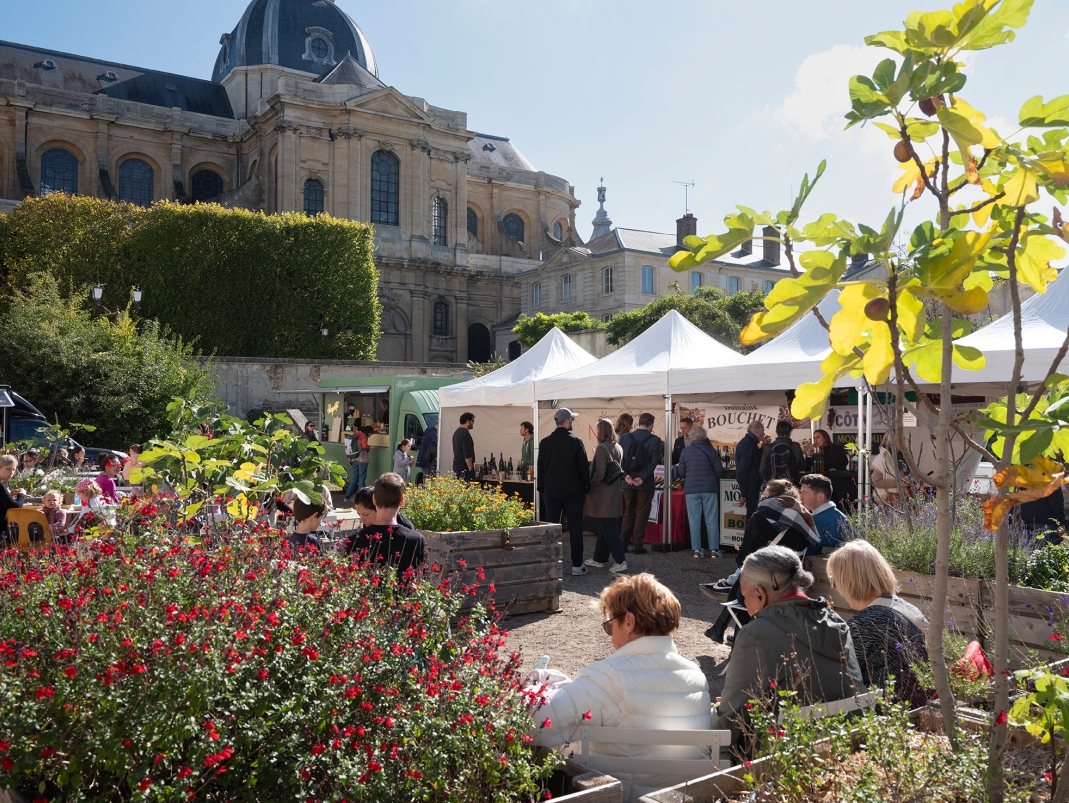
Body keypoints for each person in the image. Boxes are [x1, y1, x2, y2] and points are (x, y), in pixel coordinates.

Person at [531, 573, 711, 802]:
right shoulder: (696, 676)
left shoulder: (609, 677)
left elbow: (536, 723)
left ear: (628, 621)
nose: (610, 635)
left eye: (609, 626)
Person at [712, 545, 866, 749]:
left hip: (785, 760)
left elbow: (727, 725)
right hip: (850, 747)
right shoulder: (837, 622)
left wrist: (711, 713)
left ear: (759, 593)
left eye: (743, 596)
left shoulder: (755, 634)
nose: (745, 605)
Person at [705, 479, 820, 643]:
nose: (761, 497)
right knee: (750, 576)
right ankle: (721, 628)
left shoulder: (761, 516)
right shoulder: (802, 518)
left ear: (772, 498)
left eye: (764, 493)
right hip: (791, 587)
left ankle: (735, 637)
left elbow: (742, 558)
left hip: (764, 590)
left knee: (748, 580)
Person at [826, 540, 929, 708]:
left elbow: (837, 681)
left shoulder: (862, 625)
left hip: (889, 715)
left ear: (849, 582)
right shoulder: (907, 607)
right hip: (922, 706)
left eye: (836, 581)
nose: (836, 588)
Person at [537, 408, 590, 575]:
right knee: (575, 529)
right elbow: (583, 468)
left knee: (551, 528)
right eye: (572, 420)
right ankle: (576, 565)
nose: (572, 422)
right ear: (566, 421)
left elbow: (541, 467)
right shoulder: (576, 441)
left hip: (551, 491)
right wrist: (587, 486)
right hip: (573, 492)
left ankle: (550, 564)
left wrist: (541, 487)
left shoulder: (545, 442)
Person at [344, 472, 427, 575]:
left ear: (374, 499)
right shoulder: (416, 540)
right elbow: (423, 579)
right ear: (401, 501)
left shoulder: (353, 540)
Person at [583, 418, 628, 574]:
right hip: (614, 491)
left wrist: (591, 484)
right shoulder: (618, 447)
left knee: (609, 528)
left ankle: (621, 561)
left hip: (603, 493)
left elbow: (600, 472)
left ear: (601, 431)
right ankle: (599, 558)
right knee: (605, 526)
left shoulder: (602, 448)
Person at [676, 425, 724, 559]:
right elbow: (719, 471)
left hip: (691, 489)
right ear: (704, 437)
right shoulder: (711, 450)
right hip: (709, 488)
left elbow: (681, 472)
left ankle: (697, 550)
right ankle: (714, 550)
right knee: (712, 520)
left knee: (694, 520)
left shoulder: (686, 451)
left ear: (692, 437)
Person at [620, 413, 661, 555]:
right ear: (651, 425)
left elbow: (619, 460)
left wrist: (626, 476)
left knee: (628, 512)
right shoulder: (655, 440)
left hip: (627, 482)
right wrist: (642, 478)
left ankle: (623, 542)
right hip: (645, 483)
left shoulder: (624, 438)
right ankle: (637, 545)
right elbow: (653, 462)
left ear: (639, 423)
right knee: (641, 513)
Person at [799, 474, 850, 556]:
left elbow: (799, 555)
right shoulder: (841, 517)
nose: (800, 497)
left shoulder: (815, 522)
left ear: (820, 497)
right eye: (800, 492)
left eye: (804, 493)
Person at [351, 485, 417, 532]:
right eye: (359, 515)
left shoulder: (405, 527)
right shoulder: (369, 523)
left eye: (366, 514)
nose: (362, 520)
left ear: (379, 508)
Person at [734, 421, 765, 520]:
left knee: (752, 515)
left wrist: (762, 448)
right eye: (762, 431)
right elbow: (742, 470)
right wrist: (744, 493)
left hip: (751, 484)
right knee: (752, 516)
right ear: (756, 432)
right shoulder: (749, 445)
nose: (764, 433)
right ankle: (749, 535)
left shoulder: (748, 443)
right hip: (751, 484)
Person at [759, 420, 805, 486]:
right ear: (790, 432)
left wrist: (770, 479)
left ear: (776, 432)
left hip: (774, 485)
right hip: (792, 484)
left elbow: (762, 470)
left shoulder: (769, 448)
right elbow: (802, 466)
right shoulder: (795, 446)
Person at [0, 454, 26, 546]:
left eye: (13, 470)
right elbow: (15, 507)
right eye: (8, 469)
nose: (11, 473)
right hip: (2, 531)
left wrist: (9, 495)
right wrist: (21, 494)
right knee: (37, 533)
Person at [869, 433, 902, 505]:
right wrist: (899, 483)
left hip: (899, 500)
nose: (904, 442)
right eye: (901, 440)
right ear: (892, 442)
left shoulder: (901, 458)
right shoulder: (880, 459)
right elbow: (876, 482)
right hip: (885, 501)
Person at [344, 426, 372, 501]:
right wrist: (369, 447)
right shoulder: (363, 436)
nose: (370, 435)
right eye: (370, 434)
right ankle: (360, 499)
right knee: (361, 479)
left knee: (355, 478)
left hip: (353, 459)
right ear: (368, 432)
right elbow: (364, 446)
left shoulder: (355, 435)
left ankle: (347, 496)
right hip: (362, 460)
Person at [452, 412, 476, 480]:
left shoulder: (456, 432)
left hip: (457, 463)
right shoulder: (465, 434)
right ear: (467, 421)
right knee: (467, 486)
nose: (473, 423)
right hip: (463, 465)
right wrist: (471, 469)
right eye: (472, 421)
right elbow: (467, 453)